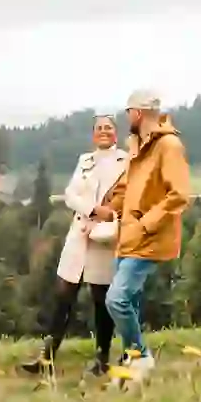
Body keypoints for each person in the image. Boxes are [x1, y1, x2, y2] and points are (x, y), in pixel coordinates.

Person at [20, 115, 129, 377]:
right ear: (93, 135)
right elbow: (71, 194)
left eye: (108, 128)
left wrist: (108, 214)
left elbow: (128, 197)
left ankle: (102, 359)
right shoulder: (85, 161)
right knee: (63, 296)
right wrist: (92, 208)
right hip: (79, 233)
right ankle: (47, 358)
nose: (104, 131)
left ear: (116, 134)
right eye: (99, 128)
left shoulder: (126, 161)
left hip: (104, 236)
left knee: (101, 299)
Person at [105, 89, 190, 377]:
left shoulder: (169, 146)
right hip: (127, 237)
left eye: (128, 112)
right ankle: (132, 361)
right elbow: (127, 187)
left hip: (149, 238)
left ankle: (140, 356)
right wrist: (103, 209)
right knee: (131, 304)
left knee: (116, 299)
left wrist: (145, 224)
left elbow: (179, 195)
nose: (127, 116)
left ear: (138, 113)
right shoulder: (137, 144)